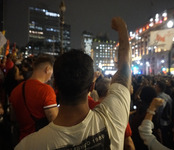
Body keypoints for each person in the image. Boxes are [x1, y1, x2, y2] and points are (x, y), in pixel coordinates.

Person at [15, 17, 131, 150]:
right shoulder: (112, 118)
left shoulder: (28, 146)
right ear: (91, 87)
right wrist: (122, 28)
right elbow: (124, 71)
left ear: (55, 87)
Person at [9, 54, 58, 140]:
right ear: (47, 69)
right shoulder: (46, 90)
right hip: (41, 141)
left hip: (22, 141)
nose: (50, 78)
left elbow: (13, 117)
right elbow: (54, 121)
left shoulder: (16, 90)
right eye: (52, 73)